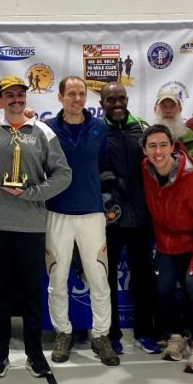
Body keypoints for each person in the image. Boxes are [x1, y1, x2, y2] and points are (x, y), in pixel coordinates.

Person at [0, 75, 71, 378]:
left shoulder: (42, 132)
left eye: (20, 95)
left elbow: (64, 174)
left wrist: (33, 194)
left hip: (31, 226)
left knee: (30, 295)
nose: (16, 100)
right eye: (9, 95)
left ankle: (34, 355)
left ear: (26, 98)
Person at [44, 76, 118, 367]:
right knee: (57, 278)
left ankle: (101, 335)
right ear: (60, 97)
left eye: (81, 94)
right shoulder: (47, 129)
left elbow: (104, 168)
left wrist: (109, 202)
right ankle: (63, 332)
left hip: (91, 215)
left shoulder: (99, 127)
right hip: (56, 213)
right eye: (71, 94)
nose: (77, 99)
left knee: (99, 277)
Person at [141, 125, 193, 373]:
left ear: (173, 147)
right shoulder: (146, 171)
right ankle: (176, 336)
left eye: (163, 145)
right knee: (162, 288)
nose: (158, 151)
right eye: (152, 146)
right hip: (166, 243)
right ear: (144, 150)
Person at [99, 83, 160, 354]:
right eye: (110, 99)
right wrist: (100, 178)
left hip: (141, 217)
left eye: (120, 98)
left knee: (143, 278)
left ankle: (145, 332)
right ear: (102, 102)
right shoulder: (97, 130)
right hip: (108, 220)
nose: (116, 103)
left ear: (127, 99)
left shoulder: (142, 128)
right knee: (106, 279)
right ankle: (110, 334)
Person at [153, 88, 193, 156]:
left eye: (172, 106)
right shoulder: (146, 138)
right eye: (164, 106)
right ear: (155, 109)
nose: (168, 111)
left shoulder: (192, 137)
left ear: (180, 109)